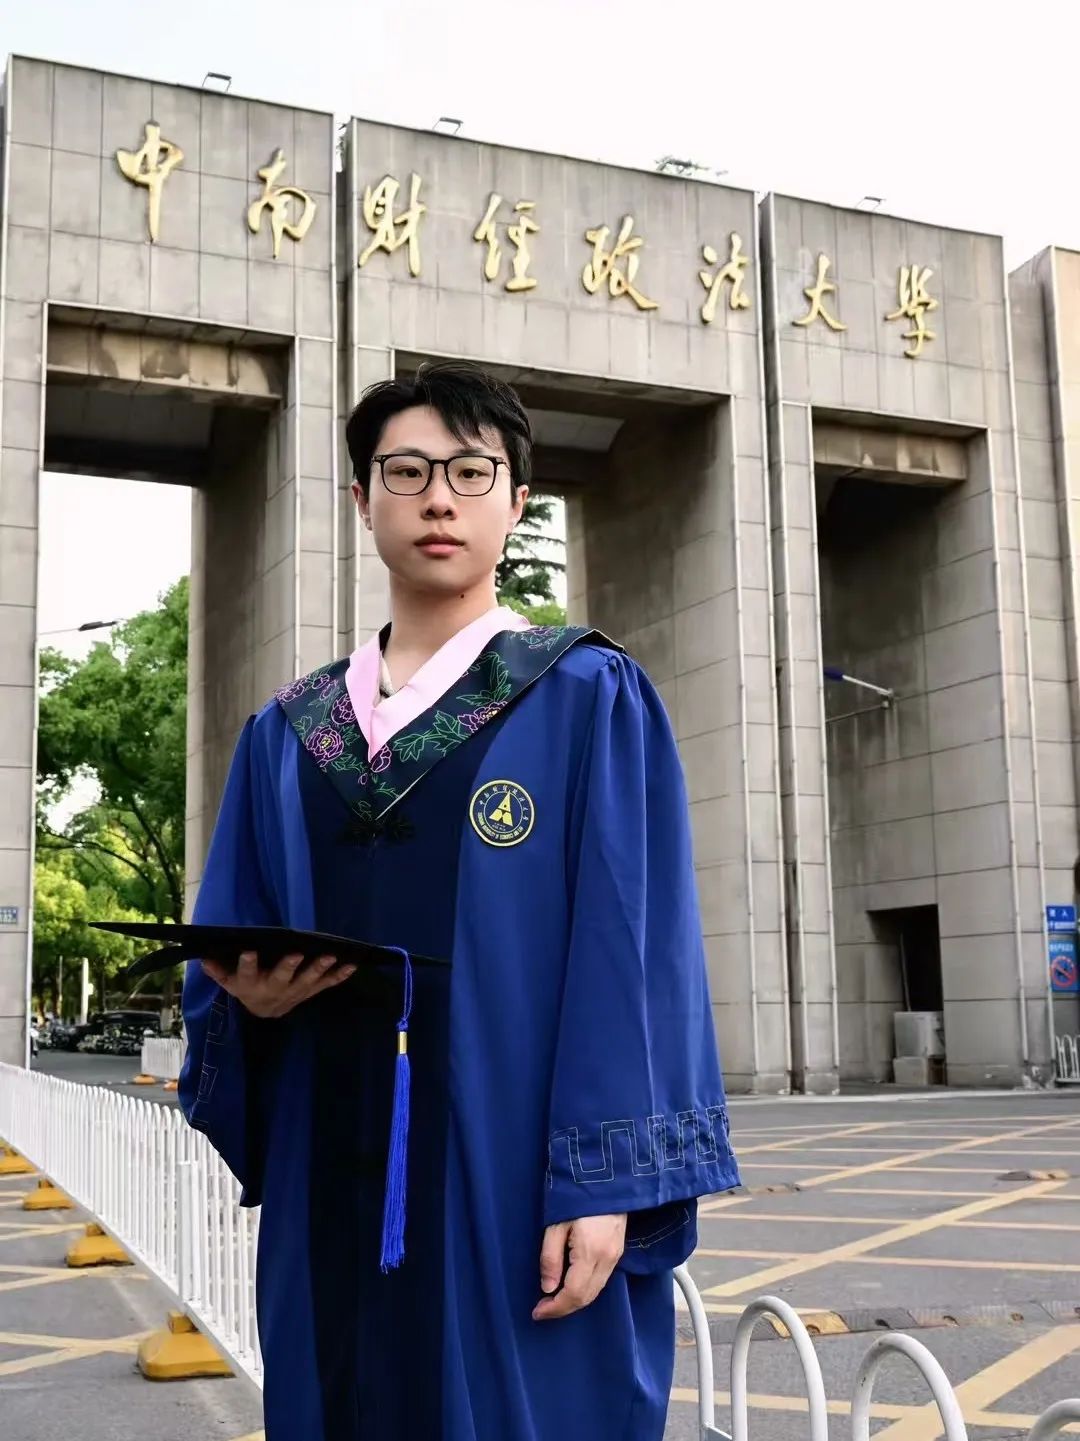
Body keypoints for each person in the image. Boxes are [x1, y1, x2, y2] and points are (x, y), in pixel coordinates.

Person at [179, 360, 739, 1440]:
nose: (439, 498)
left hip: (514, 1173)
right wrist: (252, 1004)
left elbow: (634, 954)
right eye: (407, 472)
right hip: (329, 1168)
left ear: (517, 501)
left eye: (470, 472)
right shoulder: (289, 734)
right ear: (362, 500)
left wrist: (605, 1182)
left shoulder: (583, 695)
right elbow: (225, 950)